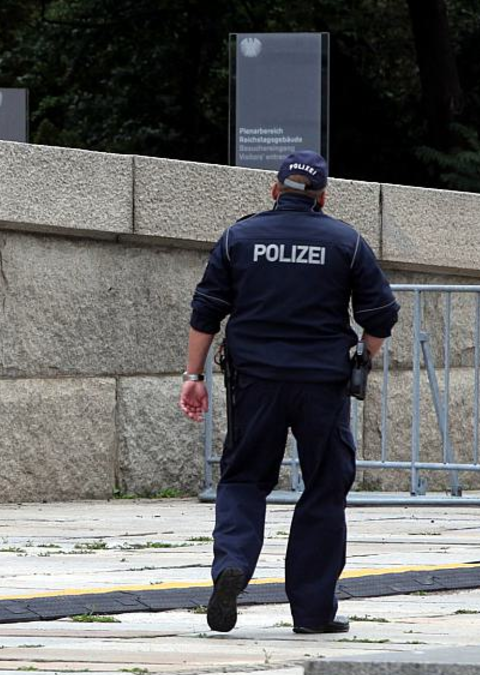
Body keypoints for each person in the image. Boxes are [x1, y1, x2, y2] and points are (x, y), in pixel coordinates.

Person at [179, 150, 398, 635]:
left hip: (254, 382)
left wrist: (194, 376)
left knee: (243, 477)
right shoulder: (345, 242)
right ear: (323, 197)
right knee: (324, 486)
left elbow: (206, 310)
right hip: (322, 383)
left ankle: (232, 564)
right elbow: (381, 314)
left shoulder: (240, 237)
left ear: (275, 191)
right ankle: (314, 612)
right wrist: (363, 357)